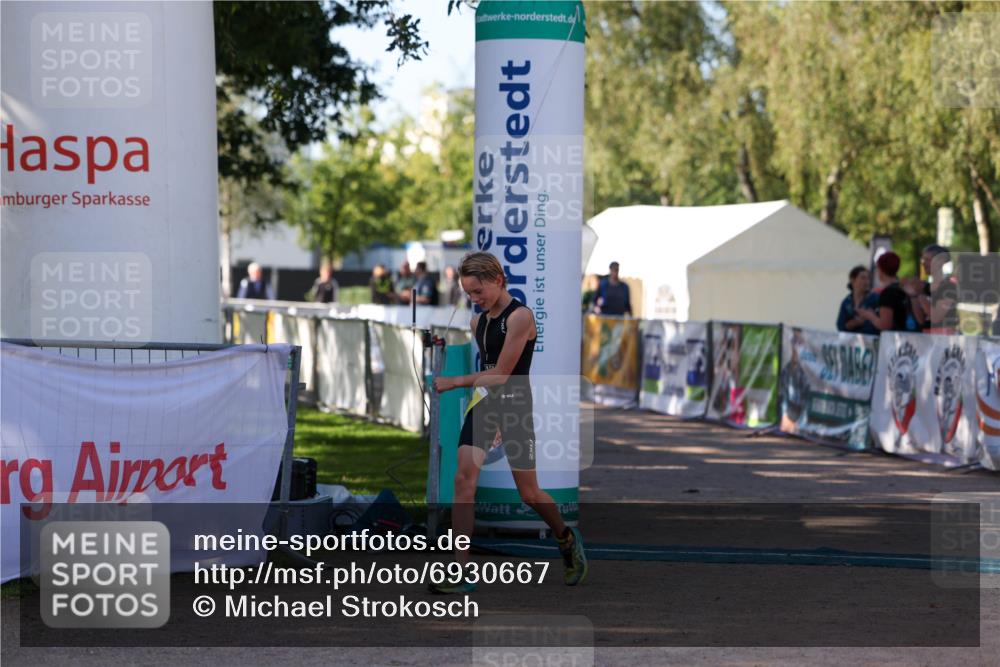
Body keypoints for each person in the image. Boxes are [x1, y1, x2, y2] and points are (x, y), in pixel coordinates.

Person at [430, 251, 588, 593]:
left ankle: (565, 537)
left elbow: (502, 374)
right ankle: (460, 569)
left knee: (529, 493)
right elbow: (488, 371)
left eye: (477, 291)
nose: (474, 300)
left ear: (497, 279)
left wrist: (454, 382)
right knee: (463, 480)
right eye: (469, 294)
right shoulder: (478, 322)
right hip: (486, 405)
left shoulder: (521, 318)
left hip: (516, 406)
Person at [857, 252, 918, 333]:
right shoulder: (904, 288)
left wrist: (870, 316)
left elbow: (885, 325)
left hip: (895, 341)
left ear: (880, 270)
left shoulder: (887, 293)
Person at [915, 244, 959, 334]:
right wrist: (913, 295)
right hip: (925, 338)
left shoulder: (949, 287)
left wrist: (920, 296)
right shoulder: (925, 287)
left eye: (928, 260)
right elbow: (920, 320)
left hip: (944, 340)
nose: (923, 263)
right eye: (923, 259)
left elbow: (936, 317)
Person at [836, 266, 877, 334]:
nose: (867, 281)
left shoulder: (875, 299)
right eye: (863, 278)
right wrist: (855, 323)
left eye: (868, 278)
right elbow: (840, 326)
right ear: (853, 280)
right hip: (851, 342)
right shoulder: (846, 302)